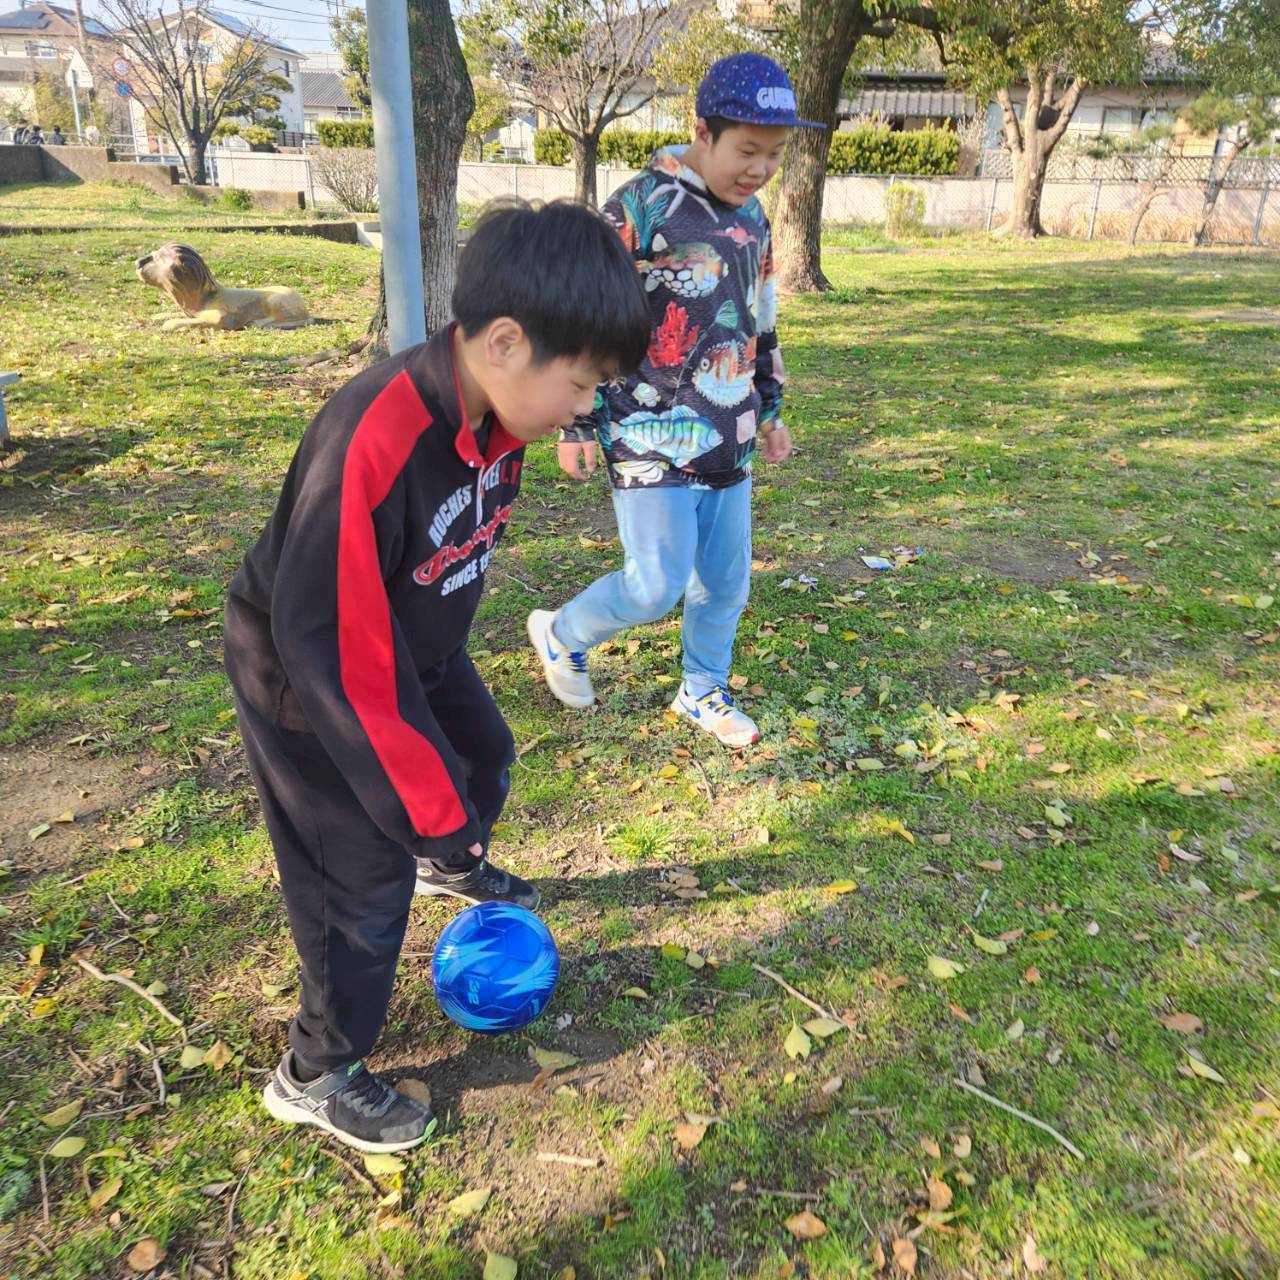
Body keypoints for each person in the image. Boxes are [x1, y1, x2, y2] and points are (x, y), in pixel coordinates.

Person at [222, 200, 649, 1153]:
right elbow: (335, 650)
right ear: (505, 343)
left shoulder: (498, 414)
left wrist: (446, 810)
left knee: (484, 756)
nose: (585, 408)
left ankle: (443, 862)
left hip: (412, 648)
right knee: (359, 887)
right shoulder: (371, 439)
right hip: (309, 681)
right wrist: (420, 804)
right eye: (582, 385)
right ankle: (315, 1071)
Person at [527, 53, 821, 747]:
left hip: (729, 433)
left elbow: (760, 316)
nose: (760, 169)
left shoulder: (755, 217)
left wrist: (770, 408)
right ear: (702, 131)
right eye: (747, 150)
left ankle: (703, 689)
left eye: (774, 154)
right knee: (655, 585)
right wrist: (576, 421)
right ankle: (563, 632)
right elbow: (583, 316)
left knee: (724, 585)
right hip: (643, 430)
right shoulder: (639, 206)